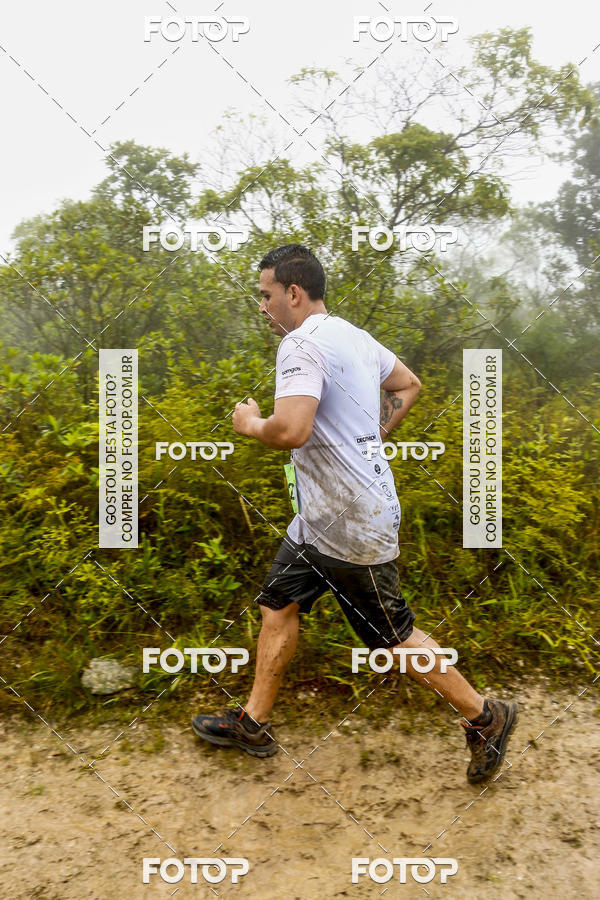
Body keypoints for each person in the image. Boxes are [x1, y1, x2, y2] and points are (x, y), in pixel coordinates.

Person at [192, 244, 518, 783]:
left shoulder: (301, 343)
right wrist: (371, 438)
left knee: (393, 636)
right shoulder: (354, 336)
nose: (262, 306)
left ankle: (485, 717)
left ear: (293, 293)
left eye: (266, 295)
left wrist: (248, 422)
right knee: (278, 603)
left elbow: (290, 430)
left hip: (353, 524)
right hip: (319, 518)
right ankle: (254, 722)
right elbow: (408, 385)